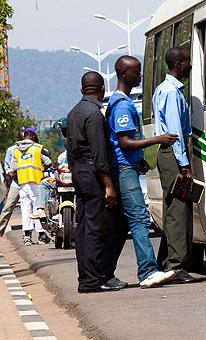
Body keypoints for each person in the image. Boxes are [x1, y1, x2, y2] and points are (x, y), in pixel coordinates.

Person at [106, 55, 178, 288]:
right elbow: (125, 142)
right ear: (123, 74)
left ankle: (106, 271)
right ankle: (147, 271)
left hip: (129, 166)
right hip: (124, 170)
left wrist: (140, 161)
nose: (140, 76)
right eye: (136, 72)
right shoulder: (123, 105)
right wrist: (157, 139)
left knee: (124, 222)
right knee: (139, 218)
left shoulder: (122, 102)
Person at [153, 47, 202, 283]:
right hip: (173, 154)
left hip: (168, 154)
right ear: (179, 64)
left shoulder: (163, 90)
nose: (190, 66)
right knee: (178, 209)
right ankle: (177, 265)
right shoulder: (172, 93)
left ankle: (167, 259)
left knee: (173, 206)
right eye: (188, 62)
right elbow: (175, 134)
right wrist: (184, 164)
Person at [67, 71, 120, 293]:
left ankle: (85, 277)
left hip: (78, 170)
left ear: (81, 90)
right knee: (97, 227)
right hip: (93, 172)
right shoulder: (95, 115)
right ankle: (94, 279)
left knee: (83, 226)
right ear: (102, 90)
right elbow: (99, 154)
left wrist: (75, 171)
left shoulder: (73, 113)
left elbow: (70, 150)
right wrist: (108, 185)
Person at [10, 128, 52, 245]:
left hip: (22, 183)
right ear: (33, 137)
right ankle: (41, 236)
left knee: (25, 209)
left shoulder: (16, 150)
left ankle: (27, 236)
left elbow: (12, 168)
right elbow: (48, 162)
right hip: (36, 182)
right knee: (37, 209)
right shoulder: (37, 148)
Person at [29, 150, 68, 219]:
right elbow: (57, 165)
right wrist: (54, 168)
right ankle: (41, 209)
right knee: (44, 183)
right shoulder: (63, 156)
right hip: (61, 180)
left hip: (78, 181)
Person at [0, 134, 23, 237]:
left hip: (30, 183)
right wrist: (10, 172)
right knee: (8, 207)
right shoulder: (11, 150)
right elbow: (7, 165)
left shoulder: (34, 149)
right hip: (16, 183)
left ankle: (40, 232)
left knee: (35, 209)